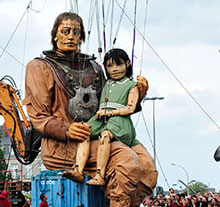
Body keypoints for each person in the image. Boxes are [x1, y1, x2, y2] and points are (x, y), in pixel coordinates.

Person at [23, 11, 158, 206]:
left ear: (82, 36)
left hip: (101, 134)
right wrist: (67, 129)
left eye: (76, 32)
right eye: (65, 31)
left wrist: (138, 95)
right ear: (55, 35)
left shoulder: (94, 67)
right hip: (62, 146)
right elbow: (39, 117)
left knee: (148, 168)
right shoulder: (39, 67)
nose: (71, 37)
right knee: (126, 161)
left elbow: (111, 101)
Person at [62, 48, 142, 185]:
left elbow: (130, 108)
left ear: (127, 64)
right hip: (101, 118)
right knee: (83, 130)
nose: (114, 69)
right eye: (110, 66)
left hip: (119, 121)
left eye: (119, 65)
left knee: (105, 135)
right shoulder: (107, 83)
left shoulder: (131, 85)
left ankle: (100, 175)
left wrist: (109, 113)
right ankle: (78, 170)